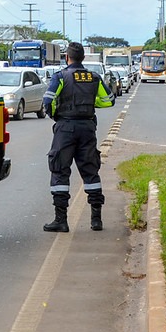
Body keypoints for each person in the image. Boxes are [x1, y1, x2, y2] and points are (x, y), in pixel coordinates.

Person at [42, 42, 115, 232]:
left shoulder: (60, 77)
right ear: (83, 58)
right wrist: (90, 104)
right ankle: (96, 219)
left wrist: (57, 116)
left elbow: (48, 101)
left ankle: (61, 220)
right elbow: (109, 100)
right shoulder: (94, 77)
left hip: (65, 127)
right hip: (88, 127)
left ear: (67, 57)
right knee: (91, 171)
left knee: (59, 170)